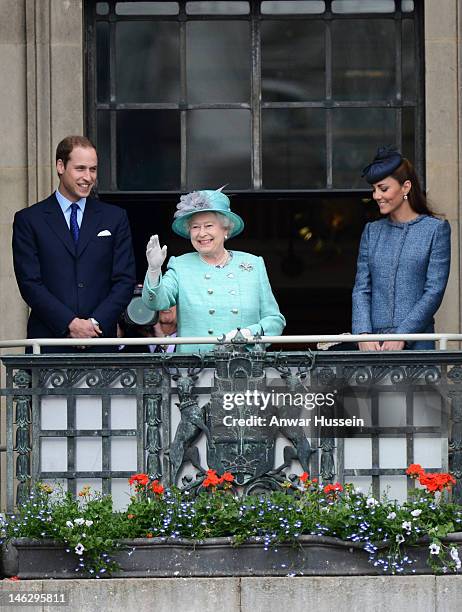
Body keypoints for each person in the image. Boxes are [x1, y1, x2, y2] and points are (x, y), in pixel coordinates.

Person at [12, 135, 136, 352]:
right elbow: (30, 283)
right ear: (61, 166)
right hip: (49, 343)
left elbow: (125, 280)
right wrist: (70, 324)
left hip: (101, 343)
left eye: (93, 169)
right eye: (80, 169)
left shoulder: (115, 218)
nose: (88, 177)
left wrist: (94, 324)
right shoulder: (29, 220)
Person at [142, 188, 285, 353]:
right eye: (195, 227)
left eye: (209, 226)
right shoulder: (180, 265)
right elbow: (156, 302)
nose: (202, 233)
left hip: (244, 366)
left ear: (225, 230)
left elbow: (275, 320)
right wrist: (153, 269)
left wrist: (248, 334)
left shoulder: (253, 264)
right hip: (193, 369)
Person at [352, 146, 451, 351]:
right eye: (374, 189)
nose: (376, 195)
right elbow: (362, 289)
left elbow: (434, 291)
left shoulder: (435, 230)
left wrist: (403, 335)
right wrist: (362, 333)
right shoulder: (372, 232)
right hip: (373, 345)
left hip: (418, 342)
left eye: (383, 188)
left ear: (406, 187)